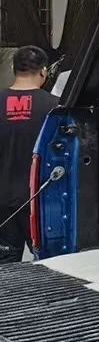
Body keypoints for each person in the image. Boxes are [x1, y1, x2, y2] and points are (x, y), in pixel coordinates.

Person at [0, 46, 58, 263]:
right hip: (41, 200)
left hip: (2, 200)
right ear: (43, 71)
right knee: (50, 264)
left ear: (15, 69)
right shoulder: (57, 107)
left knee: (5, 266)